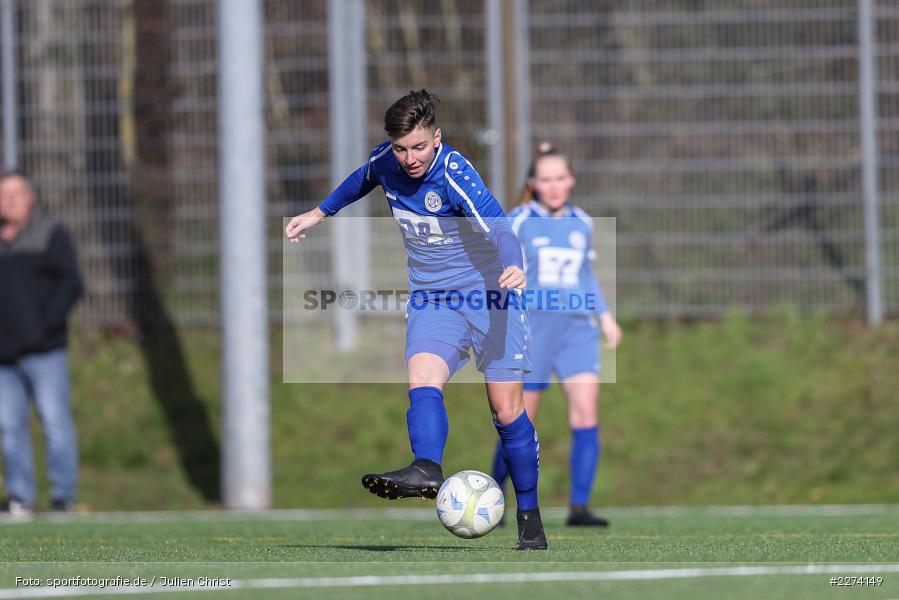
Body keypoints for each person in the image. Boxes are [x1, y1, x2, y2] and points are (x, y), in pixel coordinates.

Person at [285, 90, 547, 549]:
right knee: (421, 378)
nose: (410, 159)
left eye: (419, 147)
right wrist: (317, 214)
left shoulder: (453, 173)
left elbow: (500, 225)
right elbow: (359, 179)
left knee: (506, 413)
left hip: (490, 296)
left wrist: (514, 264)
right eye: (402, 148)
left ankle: (528, 514)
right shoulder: (386, 160)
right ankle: (427, 467)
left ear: (437, 138)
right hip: (433, 299)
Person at [490, 143, 622, 526]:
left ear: (572, 180)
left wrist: (606, 317)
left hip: (577, 330)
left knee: (585, 413)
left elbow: (586, 277)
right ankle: (495, 495)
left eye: (560, 178)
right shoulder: (518, 220)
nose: (553, 186)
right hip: (533, 328)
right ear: (533, 183)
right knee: (518, 419)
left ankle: (579, 508)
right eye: (545, 179)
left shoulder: (582, 221)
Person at [0, 169, 83, 516]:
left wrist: (45, 324)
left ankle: (63, 495)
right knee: (8, 427)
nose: (9, 200)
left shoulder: (50, 234)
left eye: (16, 193)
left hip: (44, 350)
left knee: (55, 421)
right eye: (3, 195)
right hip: (3, 355)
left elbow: (71, 284)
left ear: (31, 196)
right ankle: (19, 496)